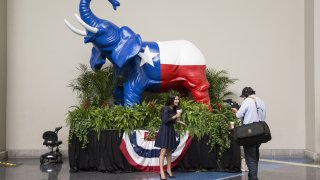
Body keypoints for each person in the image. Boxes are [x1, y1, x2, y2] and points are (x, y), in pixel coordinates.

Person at [232, 87, 266, 180]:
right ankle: (253, 175)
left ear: (246, 95)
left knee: (250, 156)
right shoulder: (261, 101)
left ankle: (253, 178)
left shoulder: (247, 101)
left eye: (243, 97)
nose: (243, 98)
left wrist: (235, 111)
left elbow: (238, 115)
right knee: (255, 155)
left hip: (249, 133)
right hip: (260, 132)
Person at [155, 95, 181, 180]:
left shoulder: (173, 109)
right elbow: (165, 120)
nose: (177, 101)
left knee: (169, 152)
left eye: (178, 99)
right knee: (163, 151)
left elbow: (172, 121)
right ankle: (161, 172)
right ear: (172, 100)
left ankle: (169, 170)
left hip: (170, 130)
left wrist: (179, 120)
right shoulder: (166, 108)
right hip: (165, 130)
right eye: (176, 99)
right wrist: (176, 115)